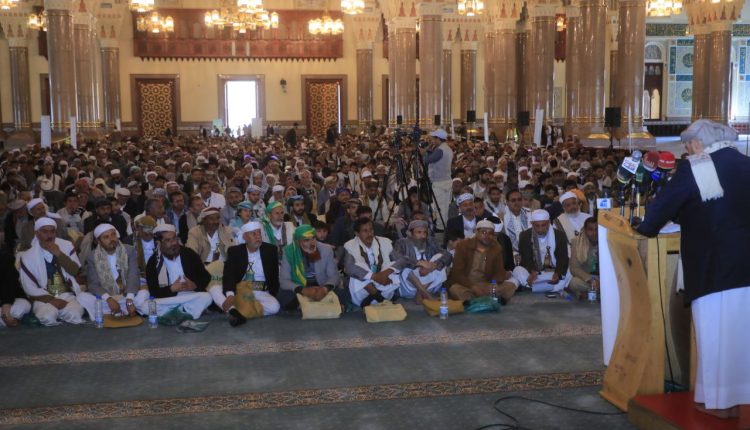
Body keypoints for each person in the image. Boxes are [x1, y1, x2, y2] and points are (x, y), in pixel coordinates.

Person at [636, 119, 750, 423]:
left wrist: (646, 228)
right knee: (740, 337)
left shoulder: (697, 166)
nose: (687, 151)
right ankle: (736, 399)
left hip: (713, 267)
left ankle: (720, 404)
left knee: (714, 335)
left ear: (698, 143)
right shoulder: (745, 163)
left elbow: (661, 209)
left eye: (687, 145)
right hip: (745, 267)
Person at [18, 217, 86, 326]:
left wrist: (58, 253)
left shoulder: (66, 246)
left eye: (52, 231)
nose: (49, 235)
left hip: (66, 294)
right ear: (37, 233)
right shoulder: (28, 256)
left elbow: (75, 271)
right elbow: (28, 287)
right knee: (47, 317)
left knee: (74, 314)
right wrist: (51, 300)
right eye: (45, 232)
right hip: (43, 297)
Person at [143, 224, 213, 319]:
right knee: (146, 306)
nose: (173, 243)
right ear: (159, 243)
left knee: (207, 297)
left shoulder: (188, 254)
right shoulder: (153, 263)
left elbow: (206, 277)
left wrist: (194, 285)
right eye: (168, 240)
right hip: (168, 299)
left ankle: (174, 313)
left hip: (190, 295)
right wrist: (171, 289)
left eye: (174, 238)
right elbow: (154, 292)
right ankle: (185, 312)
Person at [80, 223, 148, 318]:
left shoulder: (129, 250)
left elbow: (133, 276)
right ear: (98, 241)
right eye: (106, 237)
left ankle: (115, 311)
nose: (112, 239)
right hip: (106, 297)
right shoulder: (92, 256)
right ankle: (127, 310)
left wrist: (129, 299)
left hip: (126, 295)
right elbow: (93, 284)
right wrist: (109, 300)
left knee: (144, 293)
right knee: (82, 297)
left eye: (113, 235)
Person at [222, 221, 281, 326]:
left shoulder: (270, 250)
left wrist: (273, 293)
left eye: (259, 233)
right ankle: (242, 309)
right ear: (244, 237)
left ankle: (241, 312)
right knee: (218, 291)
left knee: (275, 307)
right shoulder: (235, 251)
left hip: (261, 291)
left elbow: (274, 275)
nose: (258, 236)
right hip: (241, 290)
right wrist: (230, 295)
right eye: (253, 234)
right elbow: (229, 274)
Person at [446, 220, 516, 304]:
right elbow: (457, 273)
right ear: (476, 232)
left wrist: (491, 285)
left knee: (510, 286)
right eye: (483, 232)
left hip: (486, 284)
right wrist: (472, 286)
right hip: (466, 285)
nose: (487, 236)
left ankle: (475, 300)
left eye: (490, 233)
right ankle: (486, 299)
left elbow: (499, 273)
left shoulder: (496, 248)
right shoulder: (463, 246)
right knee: (455, 289)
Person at [278, 224, 342, 310]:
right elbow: (284, 280)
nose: (312, 243)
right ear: (298, 242)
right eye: (306, 240)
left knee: (343, 294)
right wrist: (302, 290)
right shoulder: (289, 252)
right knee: (283, 297)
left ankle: (306, 305)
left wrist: (325, 289)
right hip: (300, 286)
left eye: (313, 238)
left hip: (321, 285)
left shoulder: (326, 249)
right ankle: (324, 305)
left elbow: (334, 276)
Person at [391, 220, 452, 303]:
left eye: (425, 232)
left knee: (440, 257)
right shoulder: (402, 242)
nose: (423, 236)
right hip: (409, 287)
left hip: (430, 285)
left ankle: (421, 292)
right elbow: (395, 258)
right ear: (410, 233)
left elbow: (447, 255)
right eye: (419, 232)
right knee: (405, 268)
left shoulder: (430, 242)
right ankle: (427, 295)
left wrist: (433, 266)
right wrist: (418, 263)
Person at [343, 218, 399, 307]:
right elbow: (349, 268)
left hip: (383, 285)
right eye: (365, 231)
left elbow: (401, 260)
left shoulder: (384, 241)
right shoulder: (350, 245)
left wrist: (385, 273)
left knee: (393, 266)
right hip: (363, 292)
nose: (369, 234)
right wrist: (374, 277)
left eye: (371, 230)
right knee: (358, 268)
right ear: (357, 233)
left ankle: (375, 297)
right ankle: (379, 298)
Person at [513, 209, 570, 293]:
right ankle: (553, 288)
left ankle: (535, 288)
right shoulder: (525, 236)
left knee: (570, 270)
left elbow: (562, 258)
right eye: (537, 226)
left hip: (553, 272)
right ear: (532, 224)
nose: (540, 229)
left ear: (549, 222)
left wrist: (557, 273)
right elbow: (526, 259)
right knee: (518, 270)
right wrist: (532, 272)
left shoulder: (559, 235)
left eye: (543, 225)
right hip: (535, 274)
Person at [420, 129, 453, 231]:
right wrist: (429, 150)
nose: (432, 141)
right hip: (445, 181)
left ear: (438, 139)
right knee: (443, 206)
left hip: (440, 183)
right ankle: (442, 225)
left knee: (440, 206)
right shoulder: (446, 148)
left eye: (433, 138)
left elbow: (427, 160)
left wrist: (423, 152)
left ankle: (440, 227)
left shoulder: (440, 150)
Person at [567, 217, 598, 300]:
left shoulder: (607, 241)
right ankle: (598, 293)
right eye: (590, 229)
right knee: (573, 283)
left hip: (603, 279)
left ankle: (589, 294)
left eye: (597, 229)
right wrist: (590, 280)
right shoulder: (577, 242)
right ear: (585, 230)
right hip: (587, 278)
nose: (594, 233)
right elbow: (574, 268)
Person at [0, 250, 31, 327]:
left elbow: (9, 284)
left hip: (8, 301)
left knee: (23, 305)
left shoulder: (5, 258)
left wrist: (6, 306)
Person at [502, 189, 531, 263]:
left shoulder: (530, 214)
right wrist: (513, 254)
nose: (517, 202)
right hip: (509, 256)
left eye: (519, 200)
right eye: (513, 200)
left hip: (529, 254)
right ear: (507, 202)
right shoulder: (501, 218)